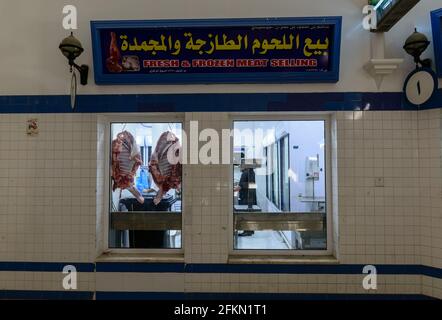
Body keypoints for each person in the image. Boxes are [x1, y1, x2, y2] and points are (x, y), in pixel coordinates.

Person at [235, 166, 257, 236]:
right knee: (249, 213)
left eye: (240, 166)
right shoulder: (252, 172)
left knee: (245, 213)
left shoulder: (244, 173)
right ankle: (250, 230)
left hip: (245, 197)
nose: (239, 167)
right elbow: (251, 185)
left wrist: (231, 189)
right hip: (251, 196)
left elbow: (240, 186)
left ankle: (247, 231)